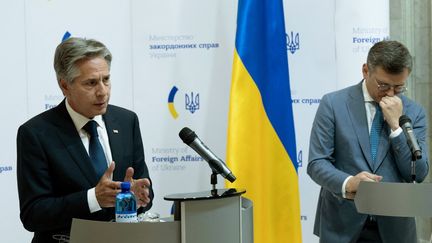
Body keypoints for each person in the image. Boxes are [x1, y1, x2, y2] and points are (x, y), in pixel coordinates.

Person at [17, 37, 153, 242]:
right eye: (91, 83)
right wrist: (93, 199)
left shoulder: (127, 122)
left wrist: (138, 197)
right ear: (64, 85)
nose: (103, 92)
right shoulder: (36, 133)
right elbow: (33, 214)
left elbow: (144, 192)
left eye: (106, 79)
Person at [307, 40, 428, 243]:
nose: (390, 93)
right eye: (383, 85)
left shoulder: (414, 113)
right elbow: (316, 163)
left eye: (398, 87)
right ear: (365, 70)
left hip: (395, 230)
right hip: (342, 226)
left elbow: (419, 172)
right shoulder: (333, 104)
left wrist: (396, 127)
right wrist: (349, 183)